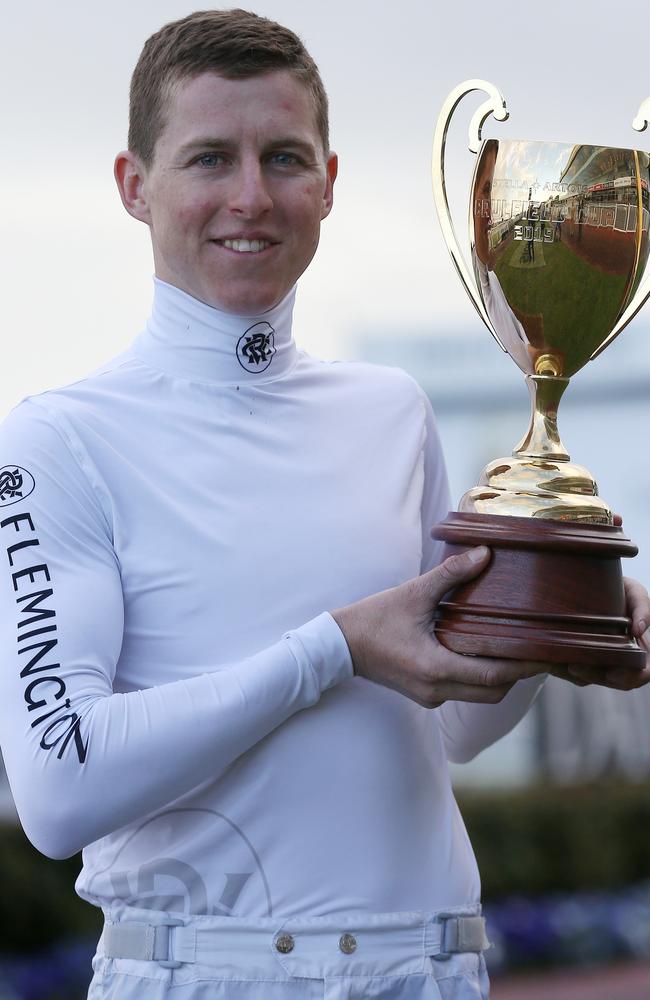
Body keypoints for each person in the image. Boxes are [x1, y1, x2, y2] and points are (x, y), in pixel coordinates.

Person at [0, 10, 648, 1000]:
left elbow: (446, 723)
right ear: (136, 186)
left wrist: (547, 633)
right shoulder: (57, 441)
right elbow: (59, 788)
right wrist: (331, 646)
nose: (250, 197)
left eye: (284, 158)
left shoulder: (389, 410)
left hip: (431, 968)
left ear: (329, 181)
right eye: (210, 158)